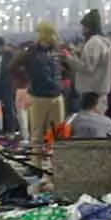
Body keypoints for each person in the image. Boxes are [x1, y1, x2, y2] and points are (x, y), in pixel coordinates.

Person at [12, 23, 65, 157]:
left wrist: (60, 81)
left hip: (56, 96)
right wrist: (30, 79)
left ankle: (54, 164)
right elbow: (13, 66)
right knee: (37, 134)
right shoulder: (31, 52)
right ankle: (36, 164)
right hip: (38, 97)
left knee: (56, 133)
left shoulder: (57, 51)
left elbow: (65, 68)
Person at [65, 9, 111, 111]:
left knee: (91, 124)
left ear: (88, 27)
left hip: (92, 94)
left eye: (83, 27)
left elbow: (88, 68)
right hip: (99, 91)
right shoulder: (103, 41)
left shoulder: (93, 43)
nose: (81, 29)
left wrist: (68, 59)